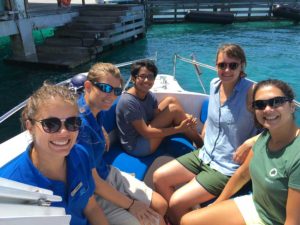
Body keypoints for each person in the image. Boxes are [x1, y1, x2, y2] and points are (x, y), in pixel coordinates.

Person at [153, 43, 258, 225]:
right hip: (205, 154)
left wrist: (251, 142)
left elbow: (278, 125)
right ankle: (182, 219)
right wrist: (204, 131)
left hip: (226, 166)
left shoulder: (252, 92)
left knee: (176, 201)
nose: (227, 70)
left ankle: (182, 217)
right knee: (159, 177)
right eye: (221, 65)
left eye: (233, 65)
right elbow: (214, 114)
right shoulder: (214, 84)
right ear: (216, 65)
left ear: (242, 66)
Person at [180, 79, 300, 225]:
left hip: (276, 220)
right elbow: (242, 174)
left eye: (277, 101)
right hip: (256, 205)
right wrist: (217, 204)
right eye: (260, 105)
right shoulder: (265, 137)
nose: (268, 109)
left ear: (292, 106)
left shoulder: (296, 155)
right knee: (188, 221)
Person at [0, 84, 108, 225]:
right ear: (30, 126)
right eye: (51, 124)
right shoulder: (10, 187)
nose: (64, 132)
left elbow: (91, 207)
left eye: (72, 122)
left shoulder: (80, 154)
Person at [77, 62, 168, 225]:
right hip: (96, 191)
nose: (111, 96)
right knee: (156, 220)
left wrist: (102, 130)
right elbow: (94, 182)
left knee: (161, 205)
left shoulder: (95, 110)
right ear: (88, 86)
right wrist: (132, 205)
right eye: (105, 88)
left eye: (117, 91)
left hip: (108, 172)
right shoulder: (79, 127)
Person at [116, 60, 203, 157]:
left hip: (145, 130)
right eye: (142, 76)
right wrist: (178, 129)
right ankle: (201, 144)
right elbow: (146, 133)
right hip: (137, 145)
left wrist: (183, 117)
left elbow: (156, 116)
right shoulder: (128, 102)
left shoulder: (149, 95)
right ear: (133, 78)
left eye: (150, 77)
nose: (146, 80)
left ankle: (189, 129)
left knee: (171, 100)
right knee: (173, 110)